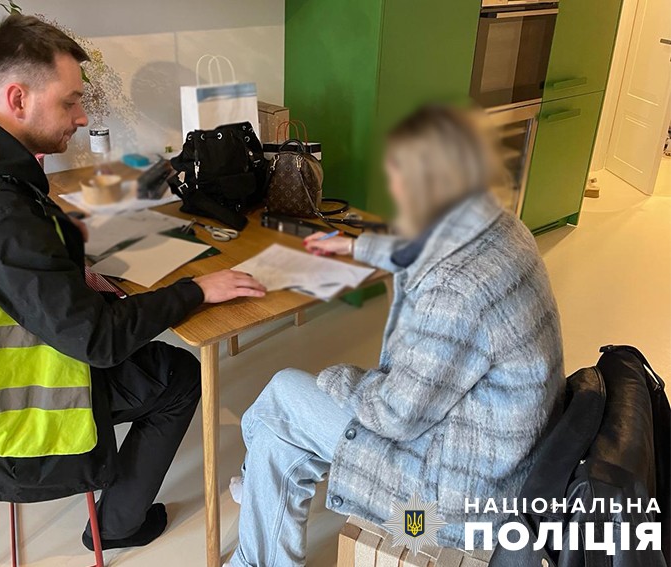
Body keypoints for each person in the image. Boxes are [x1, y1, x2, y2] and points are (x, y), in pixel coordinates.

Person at [0, 14, 266, 552]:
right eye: (70, 102)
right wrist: (198, 290)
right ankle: (118, 526)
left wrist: (55, 245)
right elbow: (98, 341)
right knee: (178, 376)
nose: (82, 117)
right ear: (17, 98)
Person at [226, 106, 564, 566]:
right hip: (501, 459)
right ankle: (255, 501)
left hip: (446, 503)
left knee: (282, 396)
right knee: (277, 433)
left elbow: (395, 415)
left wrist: (336, 379)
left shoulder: (456, 288)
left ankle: (254, 494)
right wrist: (355, 245)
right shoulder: (503, 227)